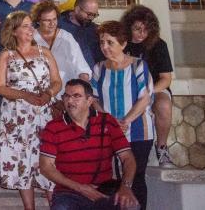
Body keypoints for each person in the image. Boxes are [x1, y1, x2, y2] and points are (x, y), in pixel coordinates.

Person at [0, 11, 61, 210]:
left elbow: (57, 81)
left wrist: (49, 93)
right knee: (22, 161)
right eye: (25, 26)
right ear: (14, 31)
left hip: (44, 114)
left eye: (32, 25)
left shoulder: (44, 52)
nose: (31, 29)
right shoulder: (6, 55)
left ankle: (56, 205)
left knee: (48, 159)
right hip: (17, 116)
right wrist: (25, 95)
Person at [40, 79, 140, 210]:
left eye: (76, 96)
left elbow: (128, 158)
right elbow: (46, 167)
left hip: (104, 189)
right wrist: (81, 188)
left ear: (89, 100)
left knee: (130, 205)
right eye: (66, 96)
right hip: (69, 192)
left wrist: (126, 187)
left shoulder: (107, 121)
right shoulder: (53, 127)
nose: (70, 101)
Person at [91, 21, 154, 209]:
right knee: (115, 179)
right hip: (110, 131)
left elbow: (145, 97)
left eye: (110, 42)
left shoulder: (138, 65)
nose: (104, 47)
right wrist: (111, 122)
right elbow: (93, 99)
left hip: (138, 131)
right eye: (102, 42)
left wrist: (126, 121)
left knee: (136, 176)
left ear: (123, 43)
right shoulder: (98, 68)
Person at [121, 5, 175, 167]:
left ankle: (162, 147)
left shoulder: (158, 45)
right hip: (126, 88)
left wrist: (148, 92)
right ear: (128, 26)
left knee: (163, 104)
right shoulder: (120, 43)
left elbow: (166, 79)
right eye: (137, 29)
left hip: (154, 89)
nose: (142, 34)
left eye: (146, 30)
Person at [31, 0, 91, 99]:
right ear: (38, 20)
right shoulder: (30, 38)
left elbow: (81, 67)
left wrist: (84, 93)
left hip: (67, 94)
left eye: (54, 19)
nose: (52, 23)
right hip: (39, 94)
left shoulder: (66, 37)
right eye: (47, 20)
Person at [59, 0, 103, 69]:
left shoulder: (95, 29)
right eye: (89, 14)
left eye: (94, 15)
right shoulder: (58, 25)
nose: (91, 18)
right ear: (77, 9)